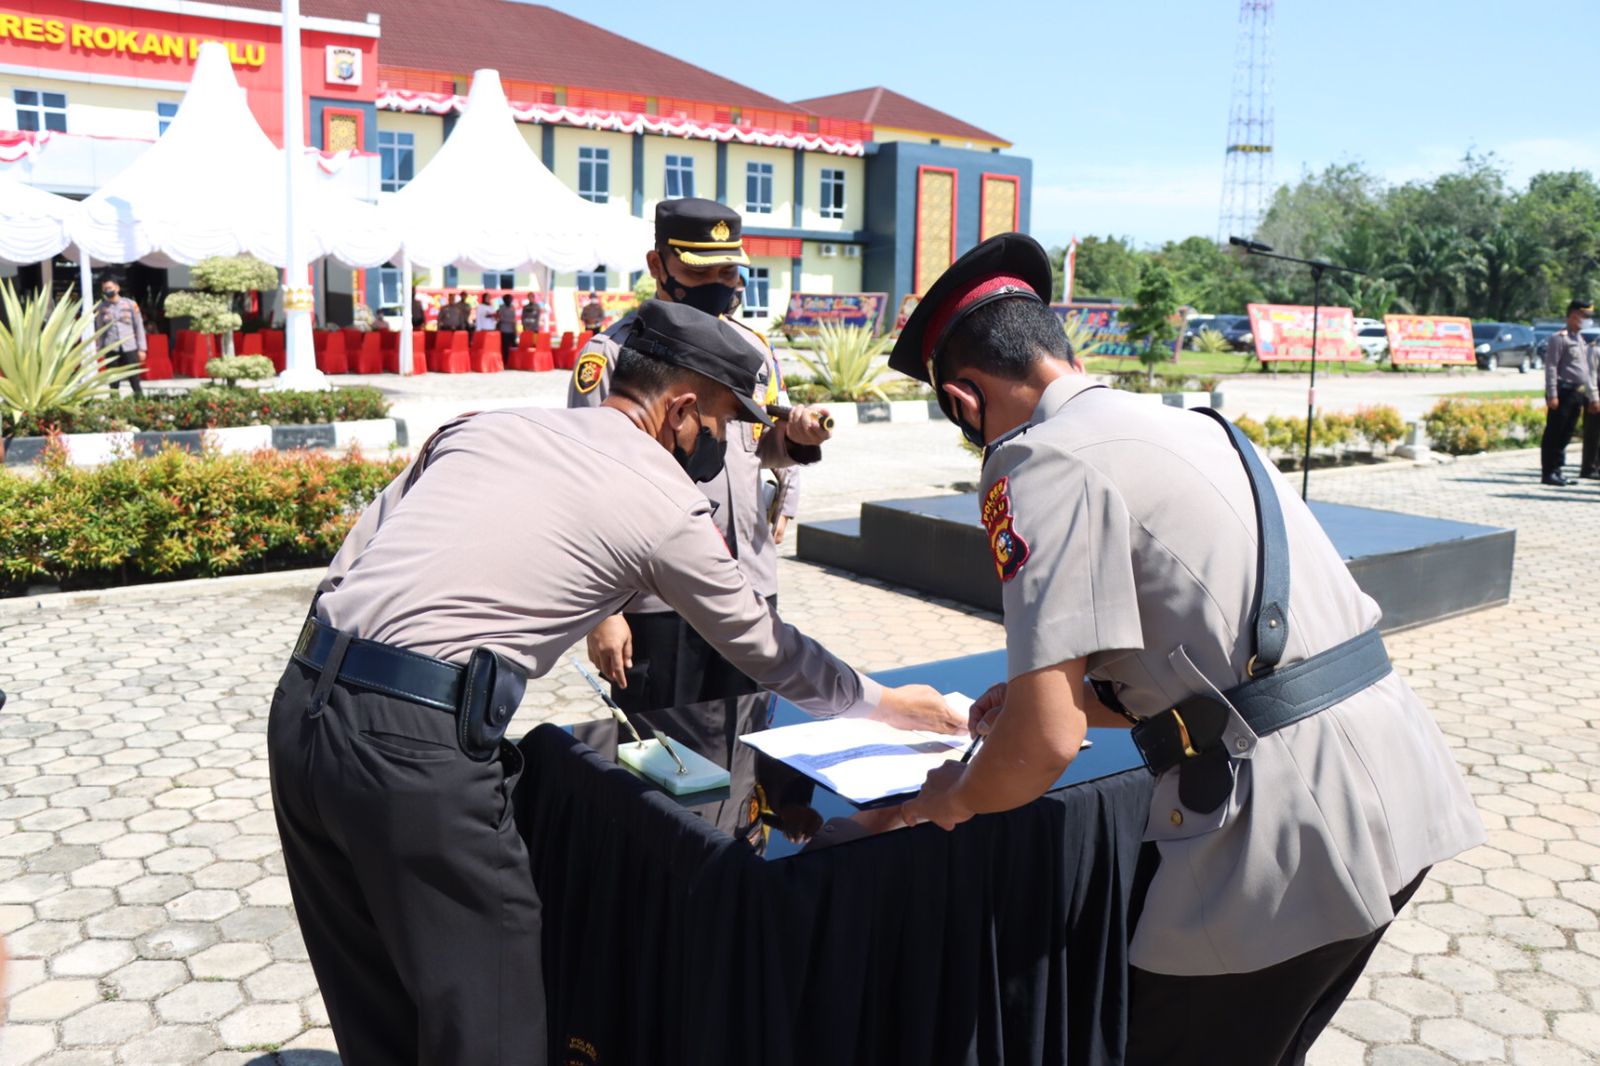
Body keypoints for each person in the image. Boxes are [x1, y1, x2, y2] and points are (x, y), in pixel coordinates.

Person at [268, 298, 959, 1066]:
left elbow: (357, 556)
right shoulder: (662, 497)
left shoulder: (486, 427)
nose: (719, 444)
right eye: (724, 423)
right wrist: (886, 702)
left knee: (376, 1000)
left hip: (304, 704)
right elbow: (765, 647)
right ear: (682, 407)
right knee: (489, 1016)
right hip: (415, 749)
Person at [887, 234, 1485, 1066]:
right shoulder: (1201, 427)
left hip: (1289, 829)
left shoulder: (1035, 463)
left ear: (961, 399)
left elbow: (1043, 747)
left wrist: (949, 798)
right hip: (1402, 786)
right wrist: (1055, 698)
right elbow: (1215, 653)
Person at [568, 197, 828, 715]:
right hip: (656, 601)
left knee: (747, 744)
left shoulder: (752, 350)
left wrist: (797, 441)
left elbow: (759, 450)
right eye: (699, 267)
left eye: (730, 269)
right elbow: (586, 491)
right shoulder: (614, 356)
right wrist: (602, 614)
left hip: (746, 586)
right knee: (665, 763)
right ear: (657, 265)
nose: (720, 282)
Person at [1539, 299, 1599, 486]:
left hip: (1577, 393)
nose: (1588, 320)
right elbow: (1551, 367)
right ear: (1574, 315)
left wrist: (1590, 395)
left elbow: (1586, 371)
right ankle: (1548, 472)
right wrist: (1552, 393)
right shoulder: (1560, 338)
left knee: (1566, 434)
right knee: (1554, 433)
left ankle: (1557, 470)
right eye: (1585, 316)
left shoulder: (1579, 339)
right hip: (1562, 391)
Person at [93, 278, 147, 396]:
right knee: (113, 380)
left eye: (110, 288)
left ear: (117, 288)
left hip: (129, 346)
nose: (108, 291)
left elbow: (139, 327)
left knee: (134, 378)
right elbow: (100, 329)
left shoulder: (131, 304)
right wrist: (100, 348)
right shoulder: (101, 308)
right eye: (105, 289)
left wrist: (142, 348)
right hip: (111, 347)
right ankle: (114, 404)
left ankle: (140, 401)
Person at [496, 293, 518, 358]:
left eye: (510, 299)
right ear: (504, 300)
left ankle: (512, 359)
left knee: (513, 346)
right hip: (504, 330)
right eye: (507, 299)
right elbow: (500, 318)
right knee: (504, 346)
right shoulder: (501, 307)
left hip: (512, 330)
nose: (509, 301)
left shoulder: (512, 307)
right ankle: (505, 359)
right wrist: (510, 321)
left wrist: (515, 329)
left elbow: (514, 318)